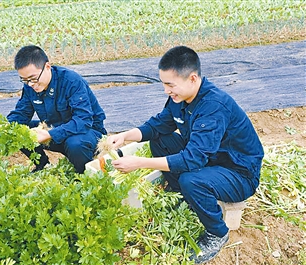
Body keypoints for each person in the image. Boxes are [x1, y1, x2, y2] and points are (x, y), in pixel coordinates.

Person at [107, 46, 264, 264]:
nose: (166, 91)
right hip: (211, 158)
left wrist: (139, 163)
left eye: (170, 85)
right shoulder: (180, 98)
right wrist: (126, 135)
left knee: (191, 179)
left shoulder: (213, 107)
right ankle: (184, 196)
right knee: (160, 139)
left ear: (192, 78)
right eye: (163, 84)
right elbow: (159, 125)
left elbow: (193, 159)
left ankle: (217, 234)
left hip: (238, 173)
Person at [7, 45, 107, 174]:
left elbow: (84, 120)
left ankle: (83, 175)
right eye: (25, 80)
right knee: (18, 130)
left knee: (75, 144)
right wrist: (7, 128)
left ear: (47, 67)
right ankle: (42, 165)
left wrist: (50, 134)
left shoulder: (71, 81)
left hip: (87, 133)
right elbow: (22, 113)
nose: (31, 84)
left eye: (33, 78)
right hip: (55, 129)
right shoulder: (30, 86)